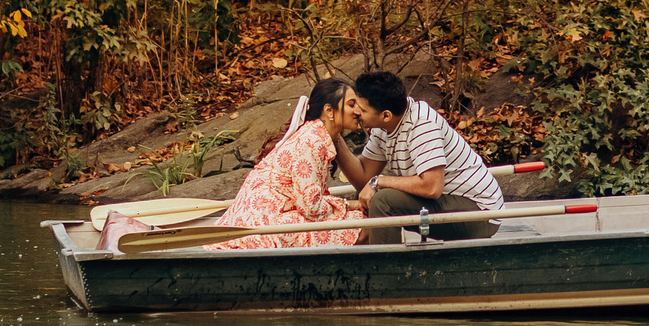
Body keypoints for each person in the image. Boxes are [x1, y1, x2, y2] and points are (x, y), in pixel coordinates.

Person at [332, 70, 503, 243]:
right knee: (362, 196)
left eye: (361, 109)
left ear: (386, 115)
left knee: (383, 201)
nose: (356, 112)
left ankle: (385, 268)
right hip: (449, 202)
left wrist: (379, 181)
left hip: (480, 213)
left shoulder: (421, 124)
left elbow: (431, 187)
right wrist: (335, 135)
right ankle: (355, 262)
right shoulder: (382, 128)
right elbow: (363, 178)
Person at [205, 77, 364, 251]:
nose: (358, 111)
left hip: (263, 216)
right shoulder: (312, 141)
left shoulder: (317, 134)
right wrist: (350, 204)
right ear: (329, 110)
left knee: (359, 221)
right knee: (363, 227)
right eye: (351, 105)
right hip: (264, 223)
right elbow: (311, 208)